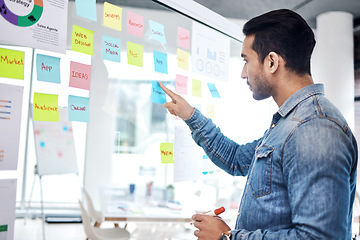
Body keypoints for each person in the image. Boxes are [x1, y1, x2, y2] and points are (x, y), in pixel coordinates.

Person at [159, 9, 358, 240]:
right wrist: (190, 115)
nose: (244, 73)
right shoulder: (289, 124)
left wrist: (228, 237)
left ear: (272, 62)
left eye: (246, 61)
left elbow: (319, 237)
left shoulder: (315, 128)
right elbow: (235, 158)